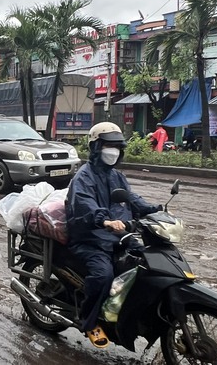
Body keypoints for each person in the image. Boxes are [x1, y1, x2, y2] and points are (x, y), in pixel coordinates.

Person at [65, 122, 161, 348]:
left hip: (119, 237)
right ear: (96, 147)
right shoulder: (83, 177)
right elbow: (85, 204)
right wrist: (105, 220)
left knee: (151, 262)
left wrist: (154, 210)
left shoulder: (117, 176)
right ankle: (88, 321)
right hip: (90, 239)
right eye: (108, 145)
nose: (113, 151)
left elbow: (131, 198)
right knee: (103, 276)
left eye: (117, 147)